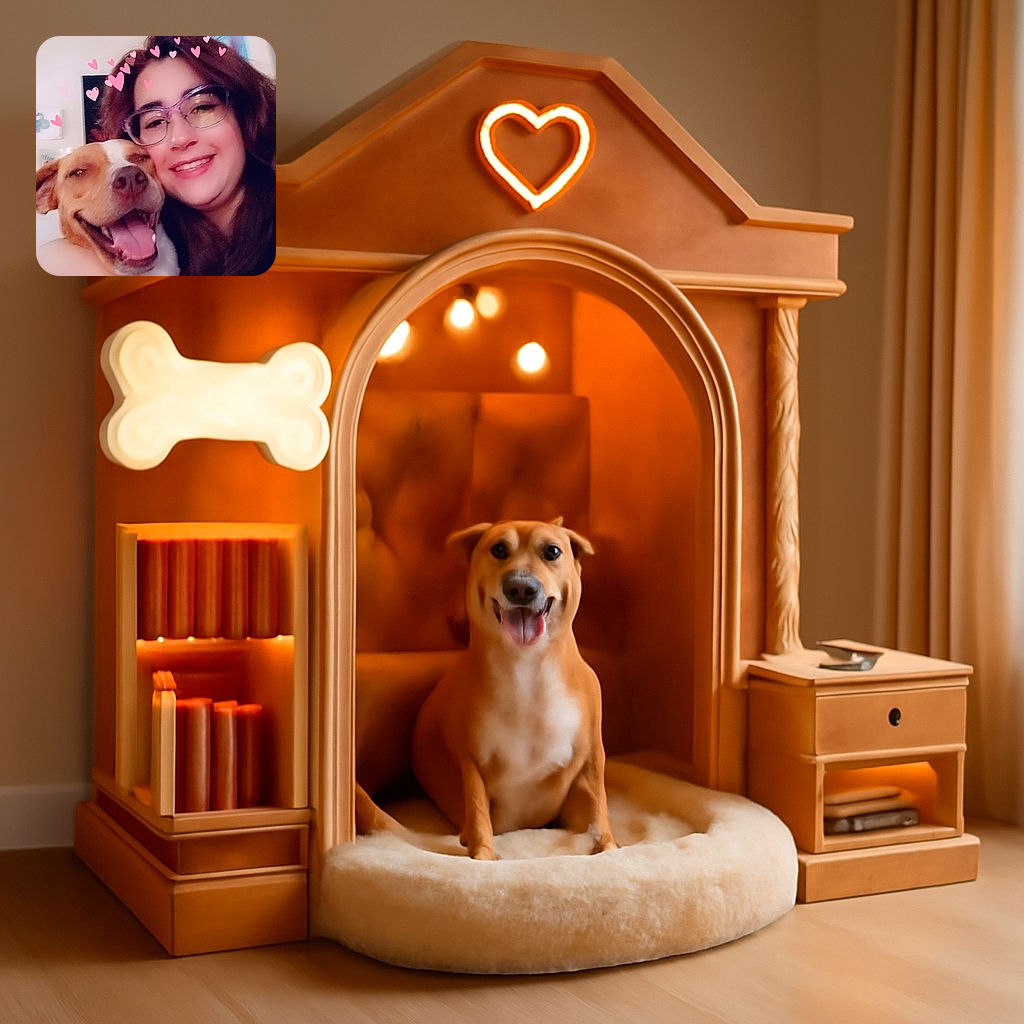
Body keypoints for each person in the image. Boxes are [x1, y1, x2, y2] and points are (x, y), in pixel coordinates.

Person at [98, 36, 276, 275]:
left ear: (244, 115)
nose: (180, 138)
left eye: (202, 107)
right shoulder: (149, 246)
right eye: (155, 122)